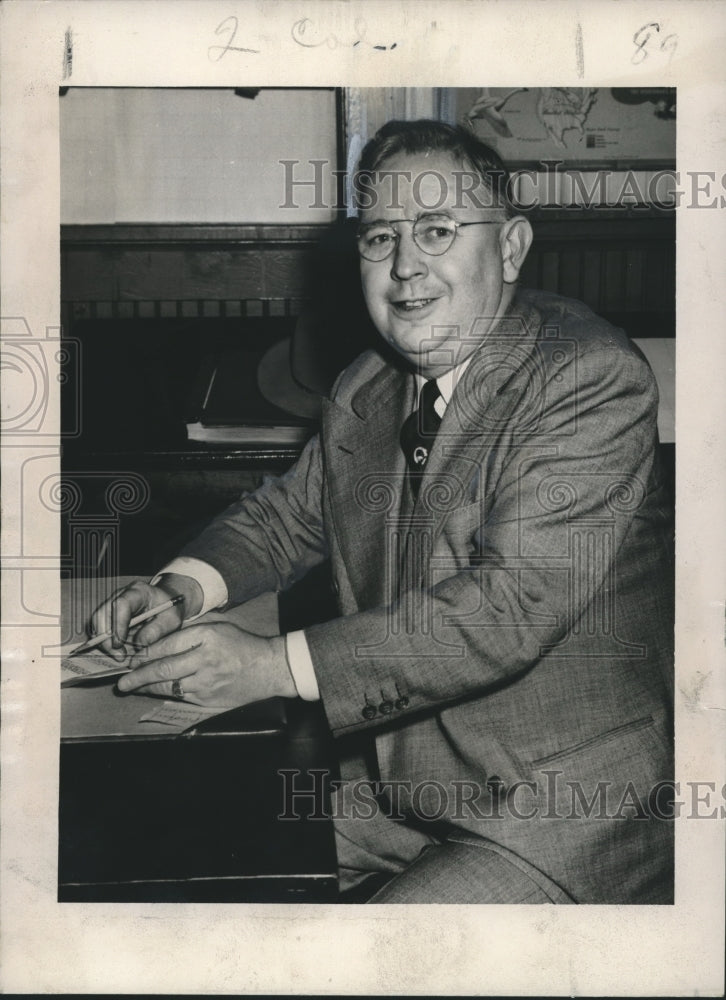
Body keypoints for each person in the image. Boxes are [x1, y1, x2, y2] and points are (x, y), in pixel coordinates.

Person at [90, 120, 674, 904]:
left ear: (509, 248)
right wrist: (181, 589)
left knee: (379, 964)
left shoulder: (587, 377)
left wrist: (270, 665)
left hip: (563, 803)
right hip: (412, 785)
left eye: (437, 230)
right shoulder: (369, 384)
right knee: (182, 849)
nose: (404, 267)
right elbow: (285, 519)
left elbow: (508, 609)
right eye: (379, 238)